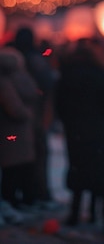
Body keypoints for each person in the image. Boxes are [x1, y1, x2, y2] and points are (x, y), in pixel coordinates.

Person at [55, 37, 104, 236]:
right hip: (100, 133)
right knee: (102, 177)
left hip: (76, 133)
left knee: (79, 171)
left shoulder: (66, 75)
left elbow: (59, 107)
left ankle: (74, 215)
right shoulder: (101, 74)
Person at [10, 25, 58, 209]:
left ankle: (23, 193)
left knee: (21, 158)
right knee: (37, 155)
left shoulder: (14, 59)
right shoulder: (34, 60)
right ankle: (36, 193)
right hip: (34, 115)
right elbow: (46, 83)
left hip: (16, 119)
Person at [0, 46, 38, 213]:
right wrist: (28, 114)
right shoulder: (13, 79)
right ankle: (14, 201)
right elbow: (14, 108)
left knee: (12, 169)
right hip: (15, 130)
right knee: (15, 170)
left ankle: (14, 200)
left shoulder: (6, 79)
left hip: (10, 131)